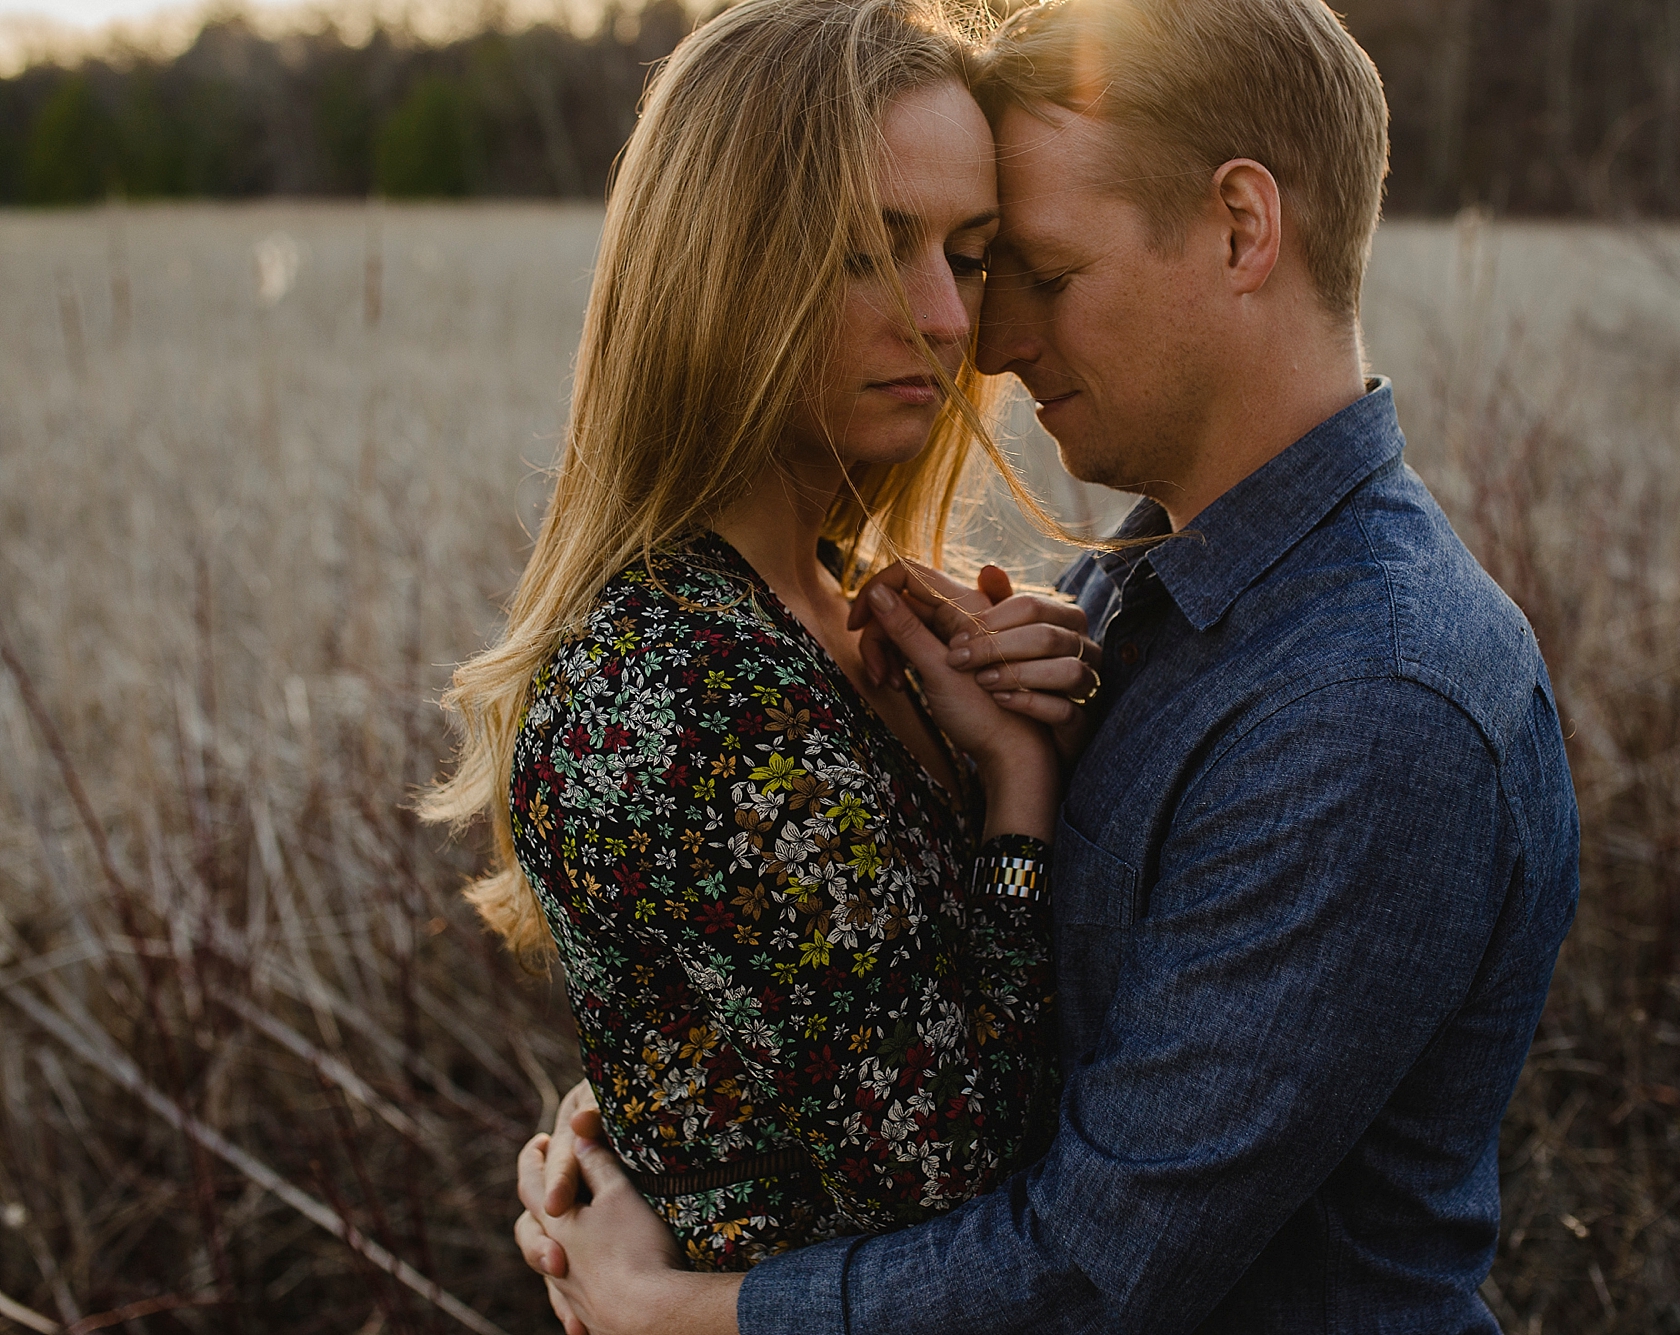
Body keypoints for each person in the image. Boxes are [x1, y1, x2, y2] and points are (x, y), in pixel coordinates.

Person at [513, 0, 1582, 1331]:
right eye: (968, 264)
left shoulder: (1372, 704)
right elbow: (904, 1021)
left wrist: (671, 1307)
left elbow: (1093, 1270)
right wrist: (679, 1105)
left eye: (1038, 271)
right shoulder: (1118, 603)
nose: (986, 335)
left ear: (1244, 228)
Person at [423, 0, 1108, 1290]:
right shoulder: (670, 682)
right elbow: (971, 1183)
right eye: (867, 249)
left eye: (967, 254)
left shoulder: (854, 609)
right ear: (717, 263)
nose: (946, 321)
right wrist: (1023, 798)